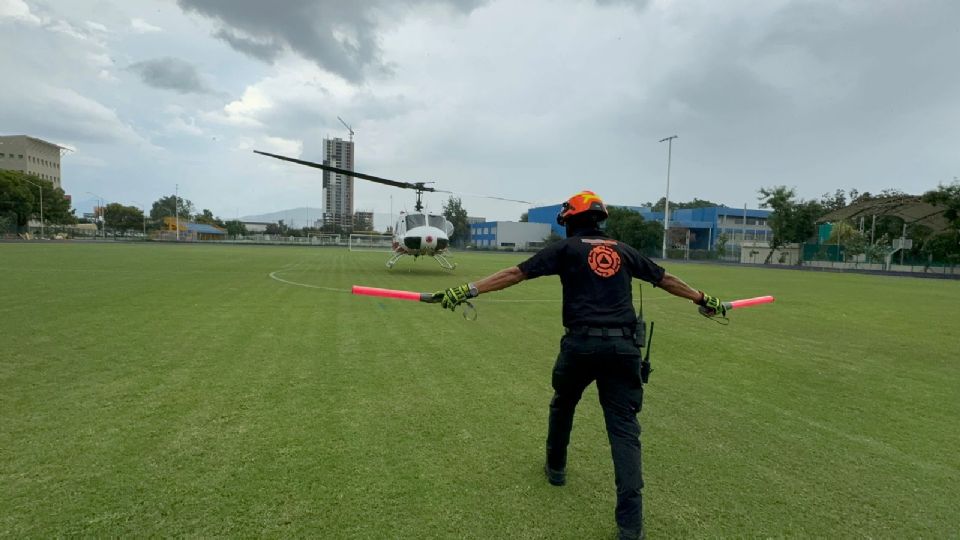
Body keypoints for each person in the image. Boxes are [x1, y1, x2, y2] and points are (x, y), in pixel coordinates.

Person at [433, 191, 727, 540]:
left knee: (564, 403)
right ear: (600, 219)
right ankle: (630, 526)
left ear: (569, 221)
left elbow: (515, 273)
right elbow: (666, 279)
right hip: (623, 348)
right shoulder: (624, 250)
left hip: (581, 345)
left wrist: (468, 290)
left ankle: (556, 467)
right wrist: (703, 299)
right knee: (623, 429)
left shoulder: (566, 249)